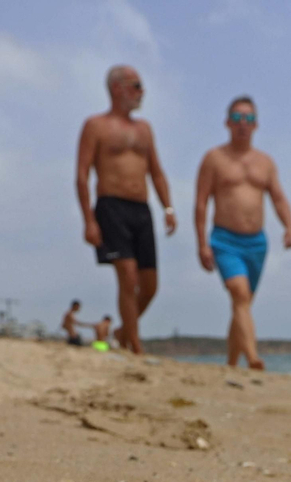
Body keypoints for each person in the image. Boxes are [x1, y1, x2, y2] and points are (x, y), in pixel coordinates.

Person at [76, 64, 176, 355]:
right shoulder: (95, 126)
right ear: (118, 88)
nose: (142, 92)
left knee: (150, 285)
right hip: (111, 207)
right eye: (137, 85)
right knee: (127, 275)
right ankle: (135, 344)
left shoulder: (144, 129)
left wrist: (168, 207)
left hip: (141, 209)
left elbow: (156, 172)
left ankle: (123, 331)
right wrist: (88, 220)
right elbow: (82, 174)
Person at [194, 95, 291, 370]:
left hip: (256, 243)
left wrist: (289, 226)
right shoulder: (214, 159)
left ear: (256, 125)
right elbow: (201, 203)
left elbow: (278, 198)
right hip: (225, 240)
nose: (242, 124)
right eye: (237, 118)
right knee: (239, 295)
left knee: (243, 304)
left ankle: (230, 363)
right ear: (227, 122)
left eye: (248, 119)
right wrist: (201, 243)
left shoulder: (265, 162)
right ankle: (252, 357)